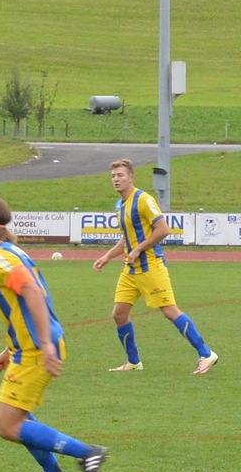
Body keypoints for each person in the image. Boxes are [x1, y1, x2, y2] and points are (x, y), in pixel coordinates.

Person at [0, 195, 108, 472]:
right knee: (18, 414)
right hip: (29, 347)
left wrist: (43, 343)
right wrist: (9, 349)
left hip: (36, 349)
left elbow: (31, 291)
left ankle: (87, 453)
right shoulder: (10, 251)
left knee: (8, 426)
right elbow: (22, 303)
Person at [93, 159, 218, 374]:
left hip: (150, 266)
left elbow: (163, 230)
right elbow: (127, 239)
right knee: (119, 314)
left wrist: (138, 249)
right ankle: (134, 362)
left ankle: (206, 354)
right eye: (113, 176)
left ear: (131, 177)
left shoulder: (143, 200)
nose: (116, 179)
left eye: (120, 175)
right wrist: (107, 257)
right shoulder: (120, 205)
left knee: (170, 311)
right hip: (130, 269)